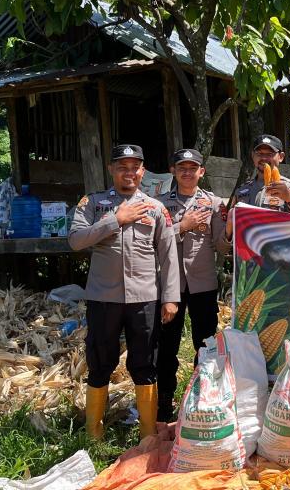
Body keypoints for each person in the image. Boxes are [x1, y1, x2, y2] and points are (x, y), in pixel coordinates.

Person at [69, 144, 180, 441]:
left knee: (145, 363)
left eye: (134, 167)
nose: (129, 172)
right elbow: (76, 240)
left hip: (144, 298)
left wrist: (170, 297)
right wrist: (115, 220)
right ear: (111, 170)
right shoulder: (92, 203)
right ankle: (94, 434)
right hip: (104, 298)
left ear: (142, 172)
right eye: (122, 167)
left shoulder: (156, 208)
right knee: (99, 361)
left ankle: (147, 435)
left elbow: (169, 255)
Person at [156, 148, 230, 422]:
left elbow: (221, 245)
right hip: (169, 286)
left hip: (203, 284)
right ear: (173, 171)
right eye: (182, 167)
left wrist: (230, 229)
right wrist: (181, 226)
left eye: (193, 168)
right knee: (166, 347)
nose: (187, 172)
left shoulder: (214, 203)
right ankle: (164, 404)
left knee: (205, 344)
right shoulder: (160, 204)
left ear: (202, 172)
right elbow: (154, 242)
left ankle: (200, 399)